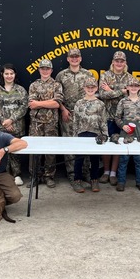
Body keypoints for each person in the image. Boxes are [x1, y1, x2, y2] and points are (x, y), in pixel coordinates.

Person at [55, 48, 94, 187]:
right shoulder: (61, 75)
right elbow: (57, 96)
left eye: (77, 56)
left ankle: (85, 174)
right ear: (68, 59)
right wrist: (63, 110)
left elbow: (92, 94)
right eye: (72, 57)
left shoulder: (88, 74)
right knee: (70, 145)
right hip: (68, 114)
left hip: (85, 115)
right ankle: (73, 176)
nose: (74, 59)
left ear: (80, 58)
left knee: (86, 144)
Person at [0, 63, 29, 186]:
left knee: (15, 152)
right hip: (0, 127)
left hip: (16, 126)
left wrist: (11, 120)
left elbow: (24, 107)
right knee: (0, 150)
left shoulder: (21, 90)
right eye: (7, 73)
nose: (9, 76)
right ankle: (2, 175)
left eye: (11, 73)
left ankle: (16, 174)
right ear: (2, 74)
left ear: (15, 75)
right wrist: (4, 122)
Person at [99, 50, 134, 186]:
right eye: (117, 61)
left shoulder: (130, 78)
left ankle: (113, 173)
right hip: (107, 116)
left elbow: (131, 95)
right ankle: (106, 172)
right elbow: (102, 95)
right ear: (113, 62)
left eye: (122, 61)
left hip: (122, 118)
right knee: (107, 144)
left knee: (118, 144)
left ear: (125, 63)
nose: (119, 63)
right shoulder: (105, 75)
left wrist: (111, 90)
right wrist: (121, 91)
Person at [28, 59, 63, 188]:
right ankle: (35, 176)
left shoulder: (57, 85)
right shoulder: (33, 85)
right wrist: (47, 102)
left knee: (50, 151)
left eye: (47, 69)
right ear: (39, 70)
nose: (45, 71)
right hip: (36, 123)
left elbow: (57, 103)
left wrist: (39, 103)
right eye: (43, 68)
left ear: (51, 70)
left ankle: (49, 176)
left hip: (51, 123)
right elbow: (31, 105)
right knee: (34, 151)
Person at [72, 77, 108, 193]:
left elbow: (103, 120)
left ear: (96, 88)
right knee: (79, 158)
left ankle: (94, 180)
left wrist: (105, 134)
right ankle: (77, 180)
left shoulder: (100, 104)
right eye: (88, 87)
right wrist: (74, 137)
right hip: (81, 134)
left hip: (95, 134)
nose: (90, 89)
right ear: (84, 88)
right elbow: (75, 121)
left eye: (93, 87)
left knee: (95, 159)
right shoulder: (79, 103)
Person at [115, 78, 140, 192]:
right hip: (126, 133)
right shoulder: (123, 101)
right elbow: (117, 117)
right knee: (123, 159)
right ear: (128, 88)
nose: (134, 88)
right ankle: (121, 182)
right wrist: (122, 126)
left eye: (136, 86)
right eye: (131, 86)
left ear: (139, 87)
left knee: (138, 159)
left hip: (139, 133)